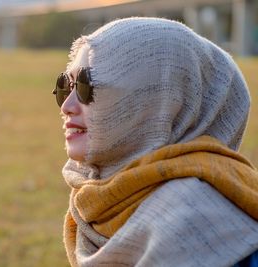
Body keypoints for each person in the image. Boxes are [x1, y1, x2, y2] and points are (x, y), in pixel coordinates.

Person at [53, 17, 258, 267]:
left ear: (155, 103)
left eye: (87, 86)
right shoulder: (96, 200)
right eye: (66, 86)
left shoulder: (198, 217)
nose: (67, 106)